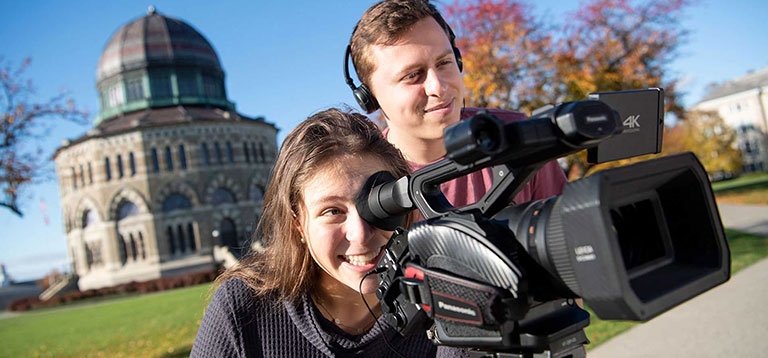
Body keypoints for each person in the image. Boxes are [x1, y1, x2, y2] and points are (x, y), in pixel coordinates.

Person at [190, 108, 468, 357]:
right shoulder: (244, 311)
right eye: (332, 211)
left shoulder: (447, 297)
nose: (359, 234)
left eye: (377, 202)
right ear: (297, 223)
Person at [344, 0, 567, 209]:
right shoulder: (364, 183)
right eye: (413, 75)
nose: (438, 87)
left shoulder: (519, 135)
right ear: (371, 97)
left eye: (444, 63)